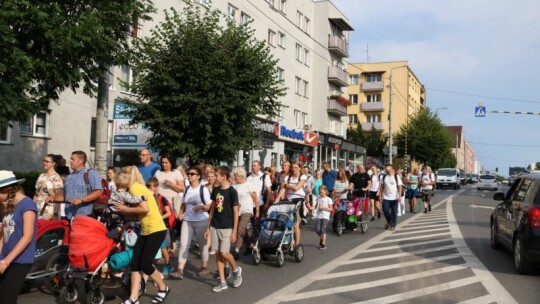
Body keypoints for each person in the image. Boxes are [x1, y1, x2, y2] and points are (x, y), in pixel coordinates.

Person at [114, 166, 169, 304]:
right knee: (135, 264)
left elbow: (145, 208)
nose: (122, 178)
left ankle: (163, 287)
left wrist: (125, 209)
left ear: (130, 176)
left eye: (125, 174)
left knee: (145, 264)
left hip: (156, 229)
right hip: (146, 229)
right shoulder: (134, 188)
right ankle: (133, 298)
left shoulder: (135, 188)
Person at [0, 171, 37, 303]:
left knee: (7, 299)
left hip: (20, 260)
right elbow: (3, 236)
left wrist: (6, 261)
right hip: (5, 258)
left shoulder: (27, 205)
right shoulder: (8, 206)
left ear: (8, 190)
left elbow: (27, 237)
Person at [169, 167, 211, 280]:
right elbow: (184, 203)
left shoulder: (203, 190)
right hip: (187, 220)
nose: (190, 175)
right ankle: (180, 270)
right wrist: (181, 213)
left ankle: (204, 267)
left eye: (192, 174)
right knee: (183, 245)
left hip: (201, 220)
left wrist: (201, 207)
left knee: (203, 245)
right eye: (188, 174)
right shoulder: (187, 189)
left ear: (198, 176)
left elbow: (209, 205)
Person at [205, 166, 242, 292]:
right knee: (217, 253)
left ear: (224, 177)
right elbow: (212, 209)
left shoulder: (232, 192)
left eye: (216, 175)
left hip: (227, 227)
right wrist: (208, 227)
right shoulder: (215, 190)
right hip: (215, 225)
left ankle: (236, 270)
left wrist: (235, 231)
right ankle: (222, 281)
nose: (214, 177)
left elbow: (236, 212)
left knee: (224, 252)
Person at [53, 151, 103, 219]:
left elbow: (98, 192)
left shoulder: (91, 174)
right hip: (68, 216)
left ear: (81, 161)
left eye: (73, 159)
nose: (70, 161)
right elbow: (63, 195)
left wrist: (81, 200)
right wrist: (53, 198)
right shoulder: (69, 177)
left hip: (84, 216)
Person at [154, 154, 184, 251]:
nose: (164, 165)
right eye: (162, 162)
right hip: (159, 203)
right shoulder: (158, 172)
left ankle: (172, 247)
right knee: (161, 225)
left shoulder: (176, 173)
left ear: (171, 163)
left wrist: (171, 184)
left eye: (166, 162)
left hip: (172, 203)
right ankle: (163, 247)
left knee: (171, 226)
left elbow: (181, 188)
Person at [275, 161, 306, 250]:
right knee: (283, 220)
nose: (294, 169)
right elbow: (283, 190)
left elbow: (296, 188)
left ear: (300, 168)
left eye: (296, 167)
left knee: (295, 224)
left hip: (298, 200)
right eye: (292, 167)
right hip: (288, 200)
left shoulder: (302, 177)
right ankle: (285, 241)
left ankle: (296, 244)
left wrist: (287, 185)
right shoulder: (288, 177)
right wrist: (277, 199)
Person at [231, 166, 258, 259]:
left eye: (236, 175)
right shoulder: (233, 186)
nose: (234, 177)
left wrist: (257, 210)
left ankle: (236, 250)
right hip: (236, 211)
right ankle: (251, 245)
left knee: (240, 228)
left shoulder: (249, 185)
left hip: (247, 210)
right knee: (243, 231)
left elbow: (255, 199)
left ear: (241, 175)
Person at [34, 154, 64, 220]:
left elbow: (59, 197)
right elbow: (36, 194)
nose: (44, 163)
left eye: (47, 161)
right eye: (44, 161)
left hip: (49, 210)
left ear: (54, 163)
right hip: (37, 209)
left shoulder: (57, 178)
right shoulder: (41, 176)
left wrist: (55, 213)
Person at [379, 164, 403, 231]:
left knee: (394, 212)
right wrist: (381, 195)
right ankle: (389, 222)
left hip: (395, 197)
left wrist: (400, 196)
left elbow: (399, 187)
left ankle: (393, 225)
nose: (386, 169)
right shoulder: (383, 177)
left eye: (388, 168)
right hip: (386, 197)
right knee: (385, 210)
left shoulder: (396, 176)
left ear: (392, 169)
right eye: (386, 168)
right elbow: (381, 187)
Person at [310, 185, 332, 250]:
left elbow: (331, 209)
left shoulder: (328, 199)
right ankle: (322, 238)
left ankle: (323, 244)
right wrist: (310, 207)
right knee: (317, 229)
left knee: (323, 229)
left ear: (326, 191)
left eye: (322, 192)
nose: (320, 194)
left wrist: (324, 208)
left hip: (325, 216)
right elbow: (316, 206)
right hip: (319, 216)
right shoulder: (318, 198)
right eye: (320, 192)